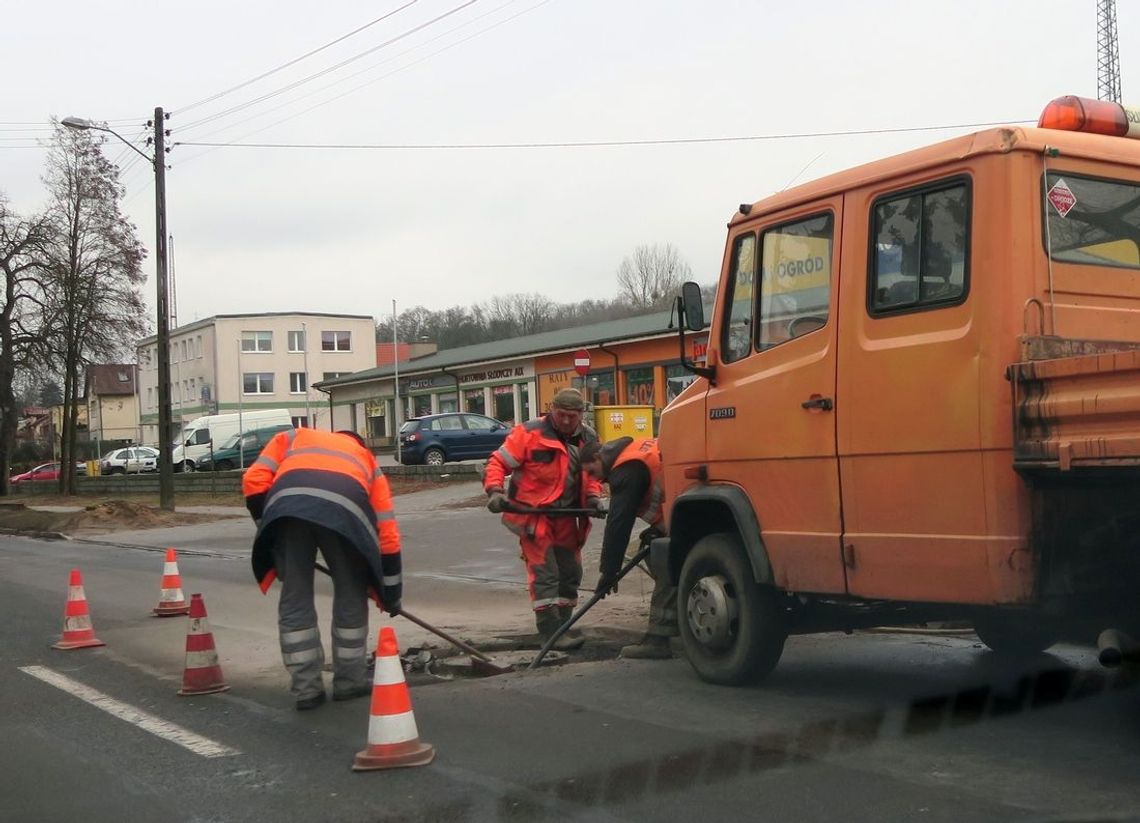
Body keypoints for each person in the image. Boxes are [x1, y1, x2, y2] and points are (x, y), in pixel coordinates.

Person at [242, 428, 402, 710]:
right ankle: (349, 682)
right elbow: (387, 534)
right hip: (345, 515)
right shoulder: (368, 461)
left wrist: (269, 530)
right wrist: (391, 592)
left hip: (287, 511)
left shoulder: (292, 438)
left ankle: (307, 690)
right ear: (359, 443)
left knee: (295, 596)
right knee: (351, 593)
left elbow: (254, 481)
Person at [483, 388, 603, 650]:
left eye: (573, 416)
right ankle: (550, 631)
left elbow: (592, 473)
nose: (567, 421)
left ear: (582, 414)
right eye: (562, 415)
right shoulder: (529, 433)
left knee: (570, 572)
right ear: (552, 411)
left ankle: (563, 626)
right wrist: (494, 490)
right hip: (533, 515)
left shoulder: (588, 437)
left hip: (567, 517)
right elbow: (497, 463)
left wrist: (593, 497)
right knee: (545, 572)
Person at [582, 436, 677, 660]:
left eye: (591, 470)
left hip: (686, 517)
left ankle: (658, 639)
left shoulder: (626, 469)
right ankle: (680, 620)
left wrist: (609, 571)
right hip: (691, 505)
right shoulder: (637, 449)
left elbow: (619, 524)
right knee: (653, 544)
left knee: (666, 562)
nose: (594, 478)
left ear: (598, 457)